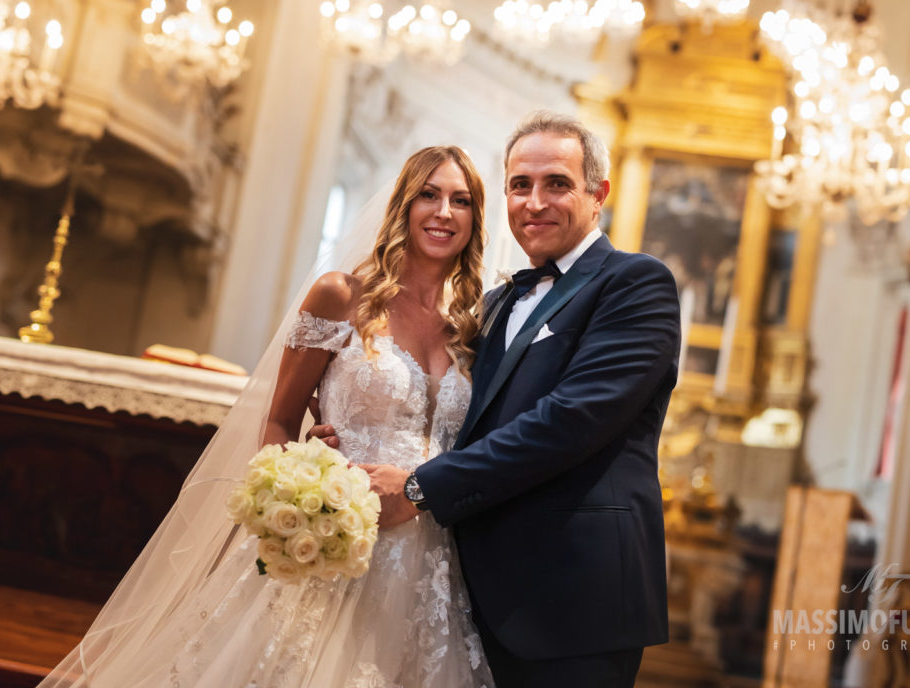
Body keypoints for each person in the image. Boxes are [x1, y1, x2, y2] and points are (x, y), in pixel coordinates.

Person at [38, 145, 495, 687]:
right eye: (429, 194)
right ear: (403, 204)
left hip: (432, 557)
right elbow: (279, 422)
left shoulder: (471, 330)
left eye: (460, 200)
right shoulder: (340, 296)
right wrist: (299, 502)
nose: (444, 212)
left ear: (474, 219)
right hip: (335, 538)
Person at [316, 111, 681, 687]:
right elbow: (444, 413)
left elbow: (570, 420)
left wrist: (418, 486)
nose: (535, 202)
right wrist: (335, 427)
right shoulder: (492, 306)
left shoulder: (635, 283)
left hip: (575, 598)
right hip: (469, 594)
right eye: (520, 185)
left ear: (597, 194)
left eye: (557, 183)